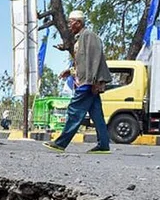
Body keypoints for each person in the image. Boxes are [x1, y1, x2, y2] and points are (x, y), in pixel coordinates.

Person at [44, 10, 112, 154]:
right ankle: (104, 145)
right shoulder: (80, 38)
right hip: (87, 81)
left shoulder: (89, 36)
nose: (69, 25)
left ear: (78, 22)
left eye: (71, 22)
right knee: (97, 115)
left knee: (74, 111)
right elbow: (82, 62)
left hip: (87, 82)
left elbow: (95, 59)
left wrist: (94, 81)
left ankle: (61, 143)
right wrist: (70, 71)